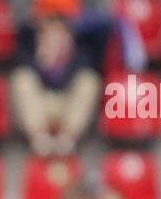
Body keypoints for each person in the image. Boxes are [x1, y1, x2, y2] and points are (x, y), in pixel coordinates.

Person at [11, 17, 100, 156]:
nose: (54, 39)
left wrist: (65, 58)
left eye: (58, 34)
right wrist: (43, 62)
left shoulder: (79, 56)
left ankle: (67, 139)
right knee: (21, 78)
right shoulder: (31, 55)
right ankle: (40, 139)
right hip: (42, 106)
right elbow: (24, 75)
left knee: (89, 80)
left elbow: (86, 71)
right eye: (49, 34)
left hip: (67, 105)